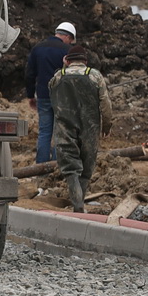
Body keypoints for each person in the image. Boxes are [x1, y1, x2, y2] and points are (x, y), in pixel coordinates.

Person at [48, 45, 113, 213]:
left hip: (64, 127)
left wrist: (63, 67)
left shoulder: (58, 76)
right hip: (89, 127)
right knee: (86, 168)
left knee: (71, 169)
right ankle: (79, 206)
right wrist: (106, 125)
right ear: (85, 61)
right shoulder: (95, 75)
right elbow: (105, 103)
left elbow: (51, 92)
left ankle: (77, 205)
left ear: (67, 61)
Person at [25, 21, 76, 163]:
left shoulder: (37, 48)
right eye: (70, 40)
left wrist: (30, 95)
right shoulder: (67, 50)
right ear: (67, 36)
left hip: (42, 96)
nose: (70, 43)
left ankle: (41, 167)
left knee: (44, 132)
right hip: (62, 97)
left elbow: (29, 74)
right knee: (59, 133)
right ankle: (57, 165)